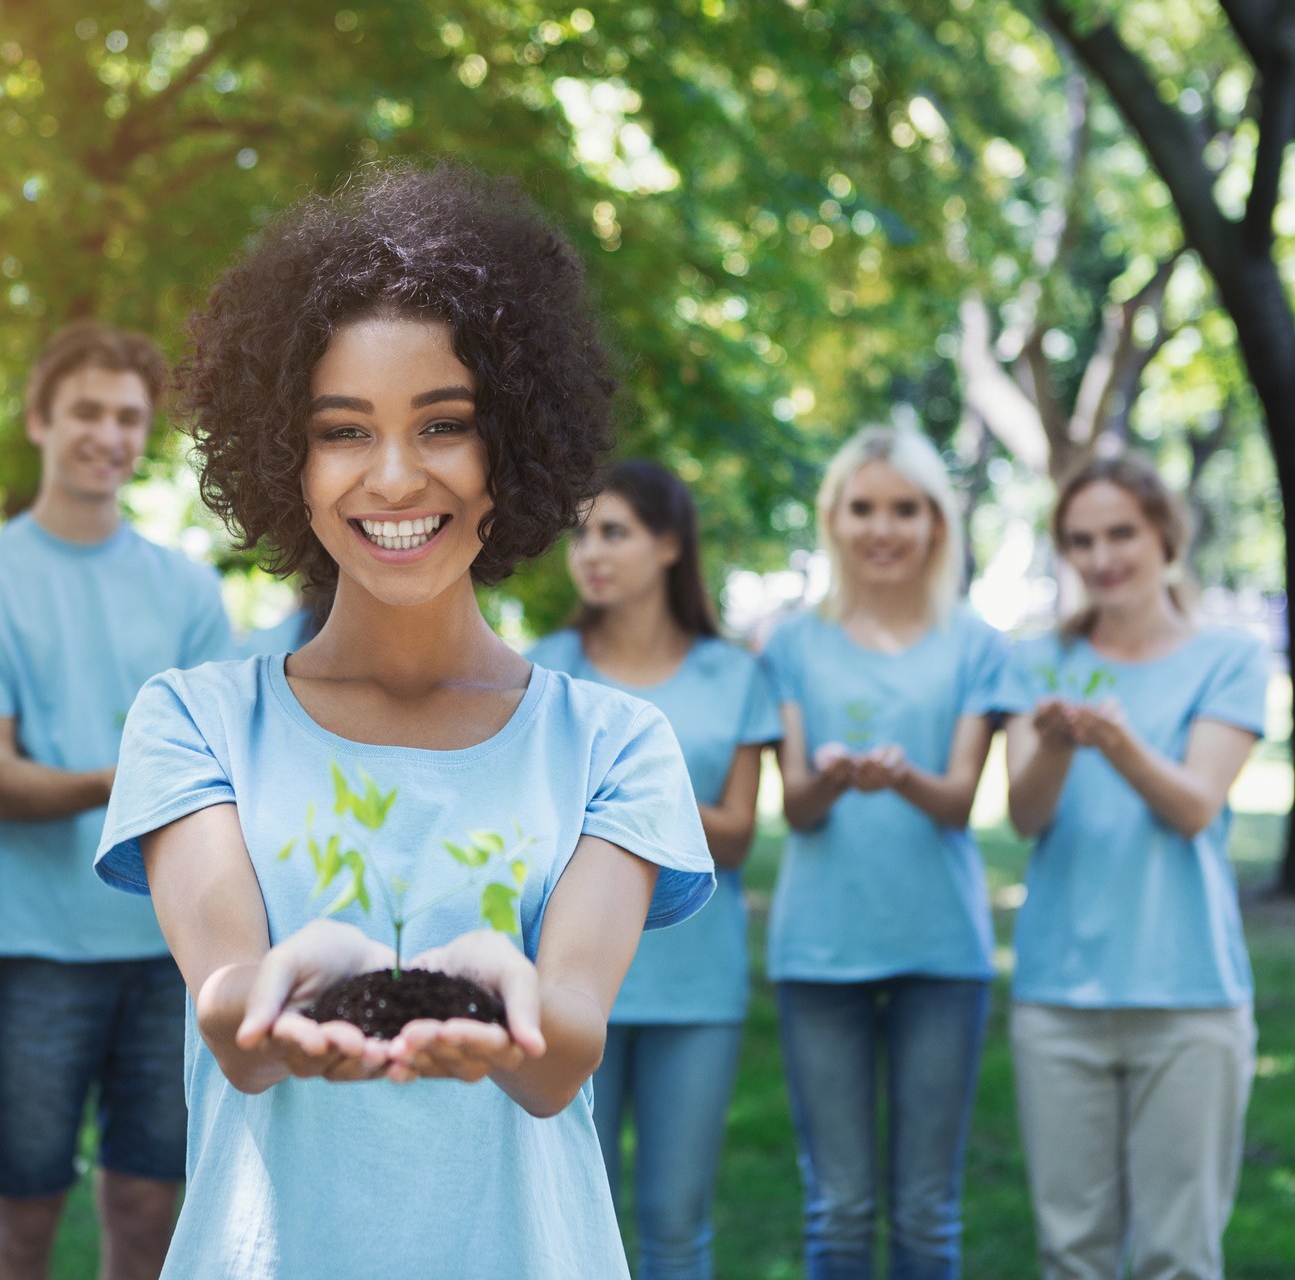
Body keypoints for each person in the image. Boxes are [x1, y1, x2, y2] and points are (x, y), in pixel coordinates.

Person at [93, 165, 715, 1279]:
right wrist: (294, 980)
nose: (392, 477)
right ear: (286, 454)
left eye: (444, 425)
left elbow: (560, 1053)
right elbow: (234, 1019)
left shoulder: (614, 744)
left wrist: (500, 984)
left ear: (512, 449)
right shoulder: (193, 721)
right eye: (343, 430)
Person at [0, 322, 233, 1280]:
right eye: (88, 412)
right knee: (24, 1213)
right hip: (31, 950)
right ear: (39, 421)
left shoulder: (185, 590)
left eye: (130, 418)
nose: (109, 435)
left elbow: (217, 771)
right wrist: (135, 778)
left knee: (147, 1208)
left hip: (165, 950)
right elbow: (0, 782)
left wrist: (142, 779)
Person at [761, 425, 1017, 1279]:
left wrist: (903, 776)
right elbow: (797, 809)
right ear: (834, 519)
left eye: (904, 509)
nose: (883, 528)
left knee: (924, 1212)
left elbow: (959, 802)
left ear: (937, 524)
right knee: (837, 1208)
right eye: (863, 508)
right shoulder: (793, 644)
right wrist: (832, 778)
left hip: (941, 951)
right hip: (819, 952)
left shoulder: (976, 643)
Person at [1003, 453, 1264, 1280]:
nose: (1101, 556)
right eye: (1081, 540)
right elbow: (1024, 815)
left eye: (1121, 533)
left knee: (1178, 1256)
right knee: (1071, 1252)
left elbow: (1194, 808)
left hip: (1189, 997)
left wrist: (1117, 743)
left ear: (1165, 535)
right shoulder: (1036, 663)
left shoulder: (1229, 658)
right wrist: (1050, 747)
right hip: (1057, 997)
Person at [530, 459, 778, 1280]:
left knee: (677, 1226)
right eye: (579, 534)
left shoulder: (735, 673)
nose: (589, 551)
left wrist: (617, 794)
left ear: (670, 544)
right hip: (564, 984)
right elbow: (528, 822)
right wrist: (655, 806)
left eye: (613, 531)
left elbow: (738, 835)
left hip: (696, 987)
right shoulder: (541, 669)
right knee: (567, 1222)